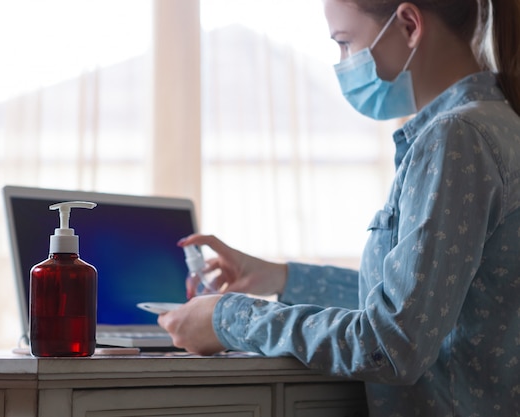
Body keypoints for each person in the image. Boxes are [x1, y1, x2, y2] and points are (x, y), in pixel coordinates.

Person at [158, 0, 520, 416]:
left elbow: (392, 345)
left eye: (346, 44)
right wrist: (281, 277)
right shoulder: (498, 124)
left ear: (408, 25)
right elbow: (428, 305)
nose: (343, 63)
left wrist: (230, 319)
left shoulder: (455, 139)